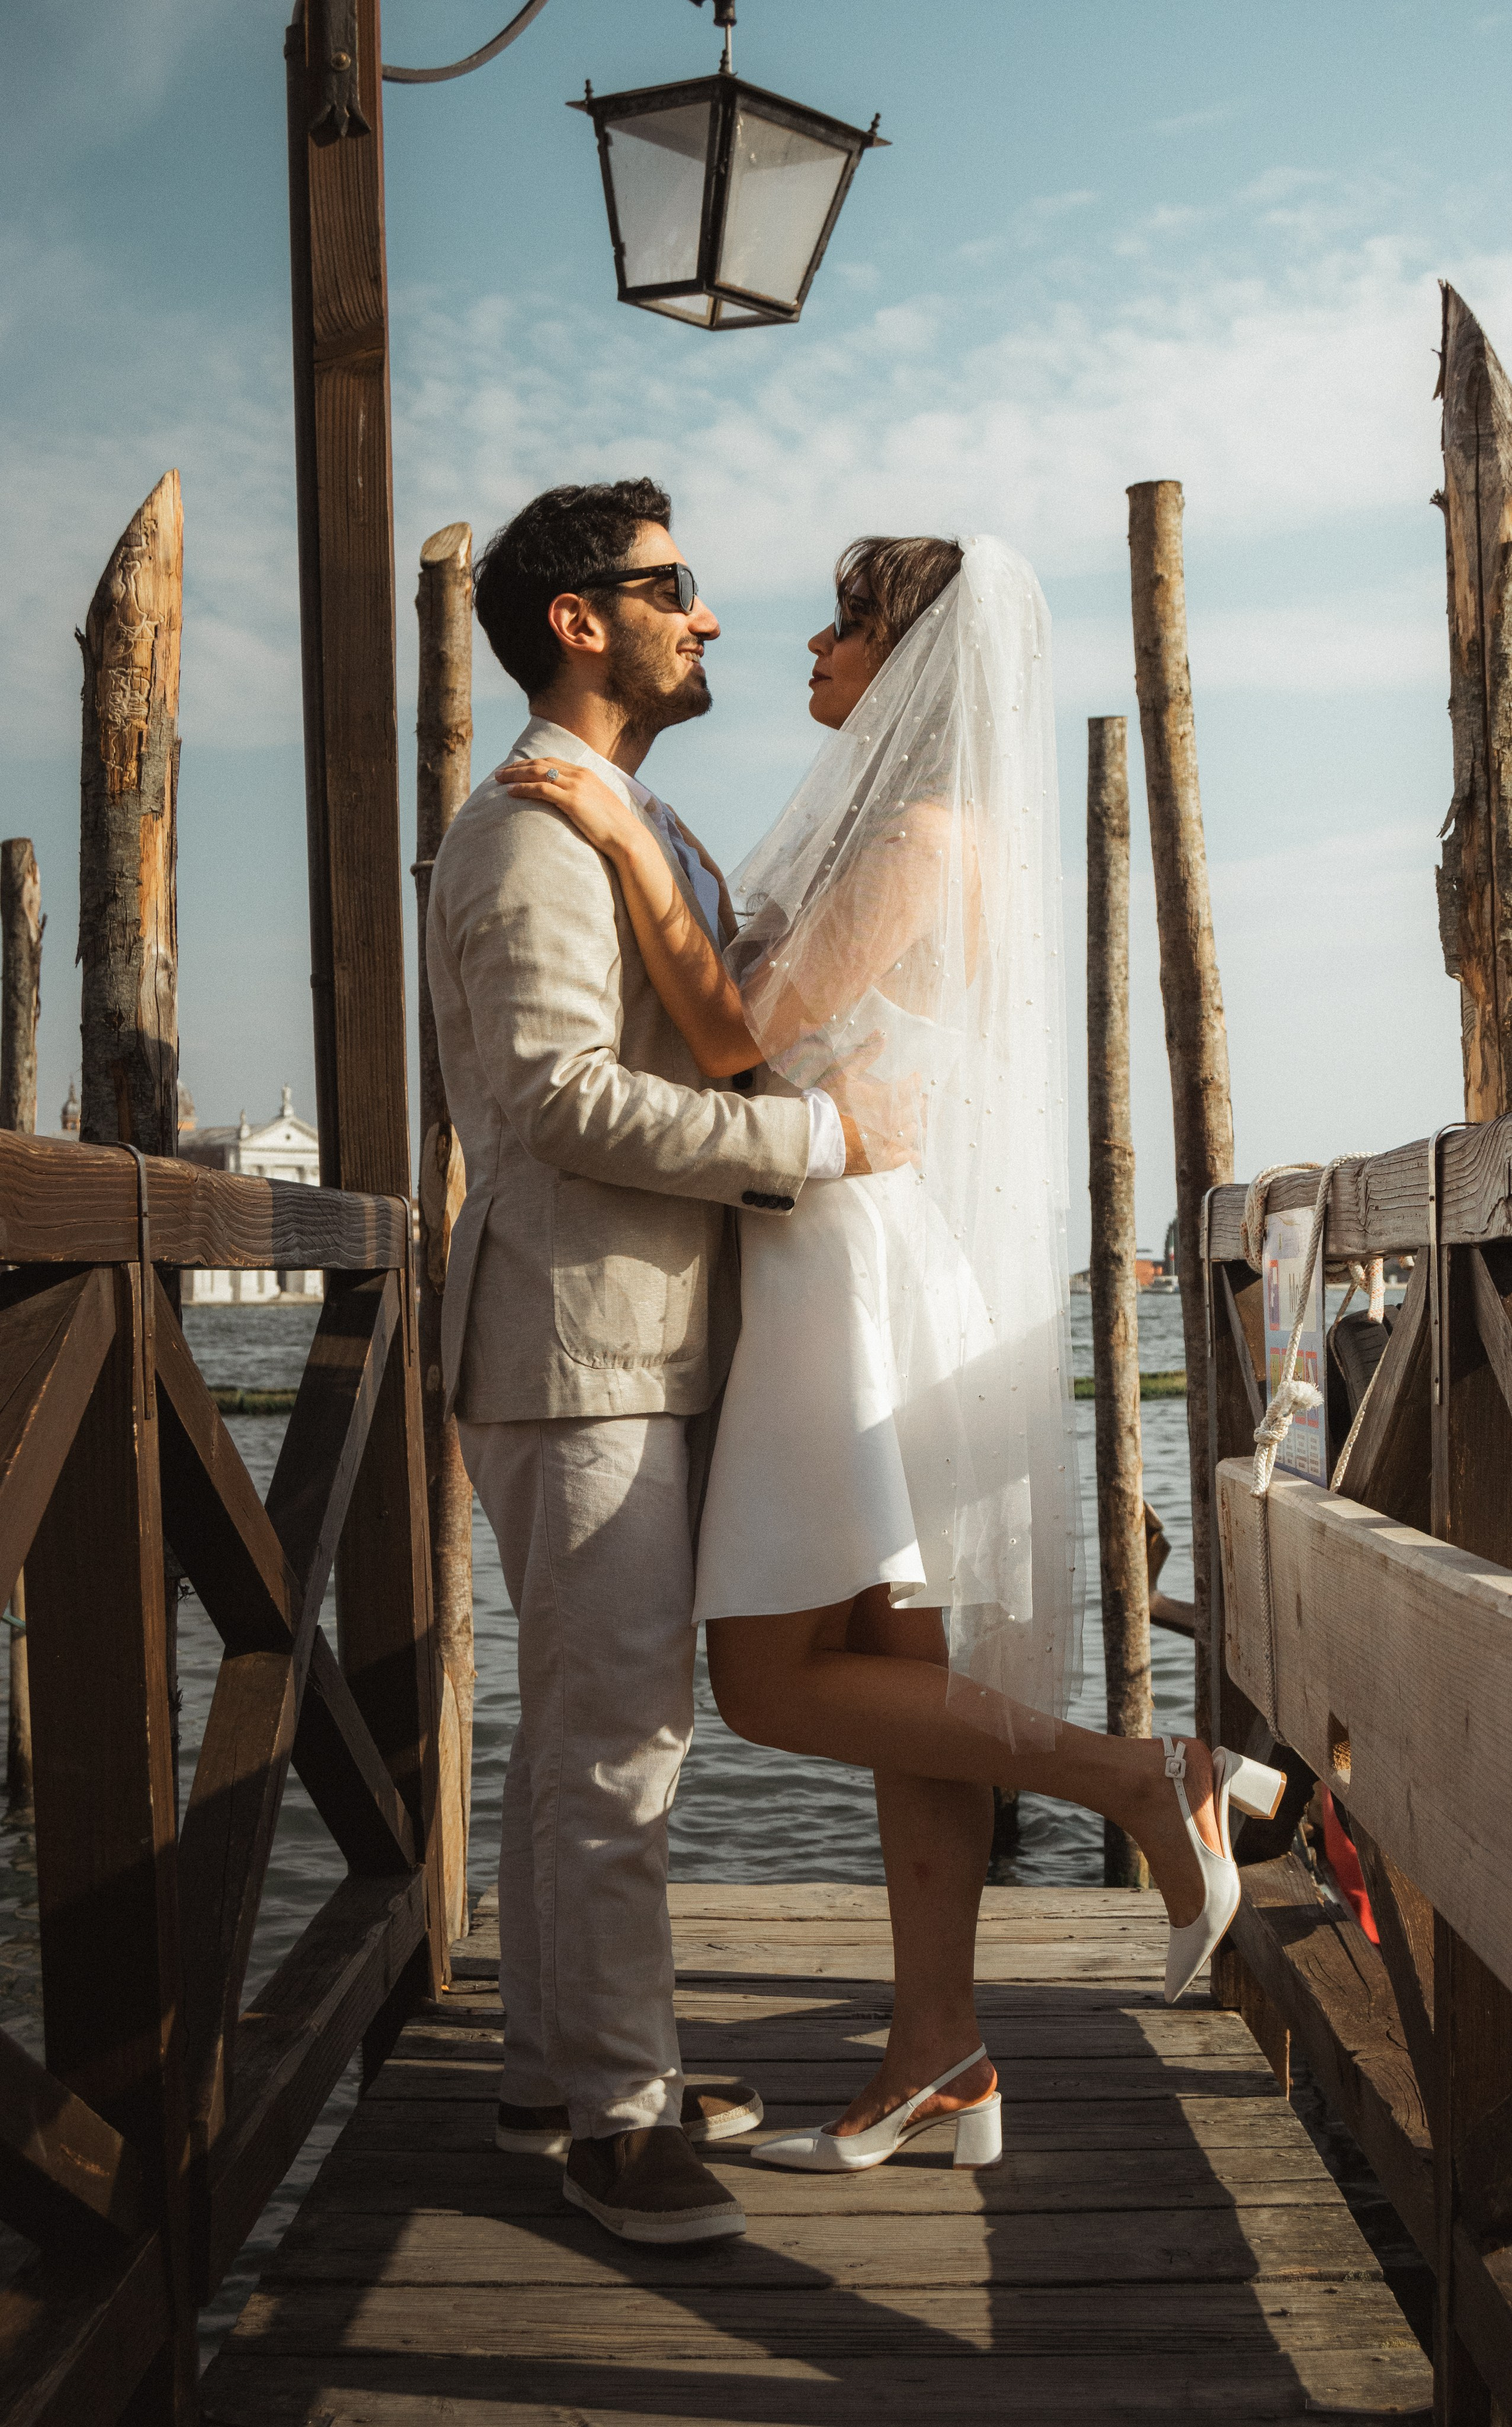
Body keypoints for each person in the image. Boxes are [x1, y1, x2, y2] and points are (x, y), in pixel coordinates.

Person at [506, 529, 1284, 2177]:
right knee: (907, 1688)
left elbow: (739, 1034)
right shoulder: (923, 825)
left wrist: (625, 846)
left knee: (772, 1680)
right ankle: (941, 2049)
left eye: (845, 625)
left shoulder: (925, 834)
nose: (808, 647)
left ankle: (1147, 1778)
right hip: (866, 1246)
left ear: (913, 661)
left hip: (836, 1266)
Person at [427, 479, 878, 2247]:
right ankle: (621, 2121)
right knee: (619, 1746)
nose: (706, 617)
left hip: (642, 1341)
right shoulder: (532, 829)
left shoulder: (636, 817)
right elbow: (549, 1098)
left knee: (585, 1737)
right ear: (576, 619)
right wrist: (816, 1148)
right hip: (577, 1341)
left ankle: (562, 2063)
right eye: (672, 587)